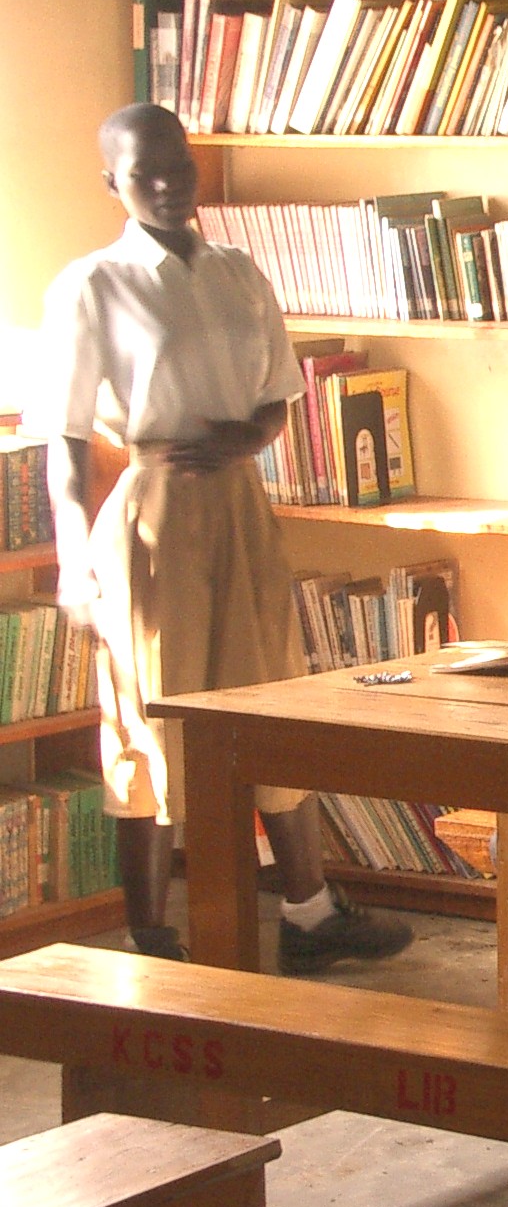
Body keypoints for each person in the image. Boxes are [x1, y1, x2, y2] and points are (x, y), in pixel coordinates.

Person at [28, 103, 412, 973]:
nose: (166, 185)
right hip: (154, 517)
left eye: (178, 166)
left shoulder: (240, 271)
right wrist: (74, 563)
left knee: (270, 702)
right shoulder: (91, 285)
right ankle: (152, 934)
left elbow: (278, 390)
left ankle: (312, 915)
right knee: (151, 713)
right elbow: (64, 438)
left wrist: (254, 438)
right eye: (142, 174)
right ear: (112, 184)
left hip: (239, 503)